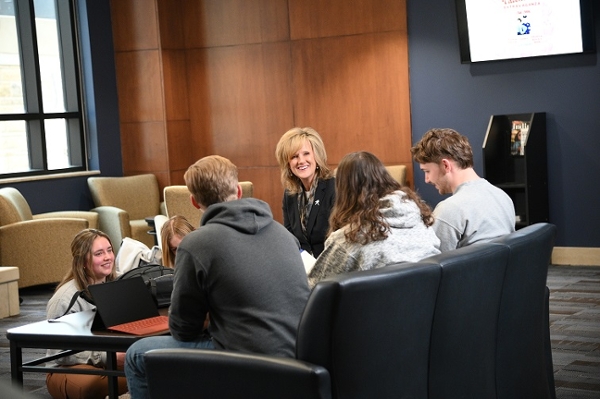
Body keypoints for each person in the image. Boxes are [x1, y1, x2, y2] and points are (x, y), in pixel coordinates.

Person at [125, 155, 310, 398]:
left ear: (193, 201)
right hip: (298, 359)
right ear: (238, 190)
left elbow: (183, 329)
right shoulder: (283, 234)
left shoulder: (197, 244)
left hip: (244, 362)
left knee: (136, 355)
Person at [308, 151, 441, 287]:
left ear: (343, 191)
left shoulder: (347, 240)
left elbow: (314, 289)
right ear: (385, 177)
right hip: (424, 305)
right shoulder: (422, 220)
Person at [45, 229, 129, 399]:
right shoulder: (64, 298)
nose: (107, 257)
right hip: (69, 367)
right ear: (83, 260)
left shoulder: (122, 282)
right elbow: (59, 352)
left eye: (109, 250)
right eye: (99, 253)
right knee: (93, 385)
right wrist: (107, 357)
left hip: (111, 360)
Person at [410, 128, 516, 252]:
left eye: (427, 171)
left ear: (445, 165)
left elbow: (430, 263)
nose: (426, 180)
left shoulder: (450, 209)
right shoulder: (501, 196)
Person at [275, 127, 335, 257]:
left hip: (331, 266)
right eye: (294, 156)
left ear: (316, 156)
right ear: (288, 164)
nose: (301, 161)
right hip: (303, 268)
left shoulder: (334, 188)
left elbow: (339, 241)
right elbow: (291, 240)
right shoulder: (290, 195)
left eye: (306, 154)